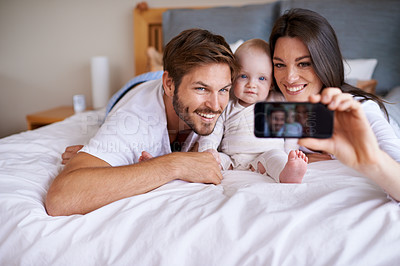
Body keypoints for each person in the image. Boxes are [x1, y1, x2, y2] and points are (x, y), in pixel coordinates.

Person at [45, 28, 239, 216]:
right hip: (134, 88)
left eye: (223, 90)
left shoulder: (234, 96)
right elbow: (60, 199)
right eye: (201, 89)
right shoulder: (133, 119)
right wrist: (174, 164)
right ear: (169, 85)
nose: (215, 106)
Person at [269, 8, 400, 201]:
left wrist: (370, 159)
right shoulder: (269, 107)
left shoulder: (361, 110)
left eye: (304, 63)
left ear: (325, 62)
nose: (289, 78)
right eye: (280, 65)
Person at [195, 39, 308, 183]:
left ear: (271, 83)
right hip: (231, 159)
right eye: (243, 76)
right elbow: (212, 130)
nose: (251, 85)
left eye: (261, 78)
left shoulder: (277, 101)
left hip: (265, 155)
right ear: (232, 77)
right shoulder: (227, 103)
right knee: (212, 161)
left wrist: (290, 153)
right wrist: (209, 149)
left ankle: (288, 173)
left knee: (277, 159)